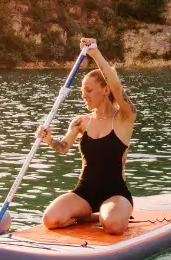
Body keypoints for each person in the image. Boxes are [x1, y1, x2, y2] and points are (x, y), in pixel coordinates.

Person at [37, 37, 137, 235]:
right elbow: (63, 147)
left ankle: (108, 214)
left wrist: (95, 53)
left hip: (115, 193)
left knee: (113, 226)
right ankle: (90, 216)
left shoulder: (125, 117)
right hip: (84, 192)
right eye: (82, 92)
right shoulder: (81, 122)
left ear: (105, 90)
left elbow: (117, 86)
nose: (84, 96)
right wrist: (48, 139)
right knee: (50, 219)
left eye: (89, 90)